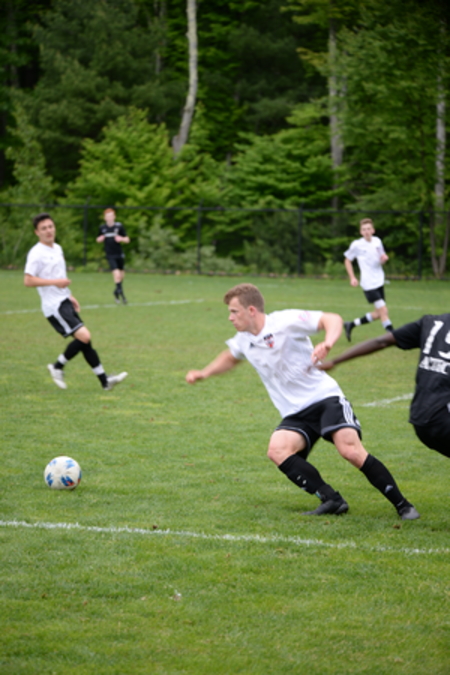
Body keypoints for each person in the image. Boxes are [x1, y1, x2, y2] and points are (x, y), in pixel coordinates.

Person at [185, 283, 419, 520]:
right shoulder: (243, 340)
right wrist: (204, 373)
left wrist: (328, 342)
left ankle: (403, 505)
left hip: (324, 397)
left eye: (234, 312)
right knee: (277, 450)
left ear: (251, 310)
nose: (230, 318)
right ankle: (332, 499)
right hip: (295, 412)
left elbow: (332, 319)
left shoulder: (284, 322)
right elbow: (230, 357)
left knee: (350, 451)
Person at [317, 314, 450, 459]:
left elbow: (381, 341)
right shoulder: (431, 322)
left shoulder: (432, 322)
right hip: (443, 417)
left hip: (421, 418)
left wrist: (335, 361)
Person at [24, 213, 128, 391]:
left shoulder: (57, 248)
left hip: (64, 300)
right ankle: (57, 366)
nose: (48, 231)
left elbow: (60, 276)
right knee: (85, 336)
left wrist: (70, 296)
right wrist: (55, 283)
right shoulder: (36, 253)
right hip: (54, 306)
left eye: (50, 226)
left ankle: (105, 381)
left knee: (85, 341)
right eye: (43, 228)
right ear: (37, 232)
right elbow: (28, 280)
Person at [343, 218, 393, 341]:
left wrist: (384, 259)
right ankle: (392, 335)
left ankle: (351, 324)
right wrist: (352, 277)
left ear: (373, 230)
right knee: (383, 310)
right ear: (361, 232)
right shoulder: (357, 245)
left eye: (368, 229)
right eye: (364, 229)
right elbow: (347, 260)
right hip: (368, 284)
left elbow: (381, 258)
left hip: (379, 281)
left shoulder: (377, 241)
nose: (366, 231)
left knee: (378, 313)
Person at [96, 207, 130, 304]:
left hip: (119, 254)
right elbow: (97, 239)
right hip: (110, 255)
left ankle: (116, 291)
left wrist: (121, 239)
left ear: (114, 217)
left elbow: (127, 239)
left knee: (121, 276)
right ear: (105, 218)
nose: (109, 218)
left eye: (111, 216)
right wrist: (100, 239)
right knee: (117, 275)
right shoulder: (102, 228)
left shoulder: (119, 227)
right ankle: (122, 294)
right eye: (108, 216)